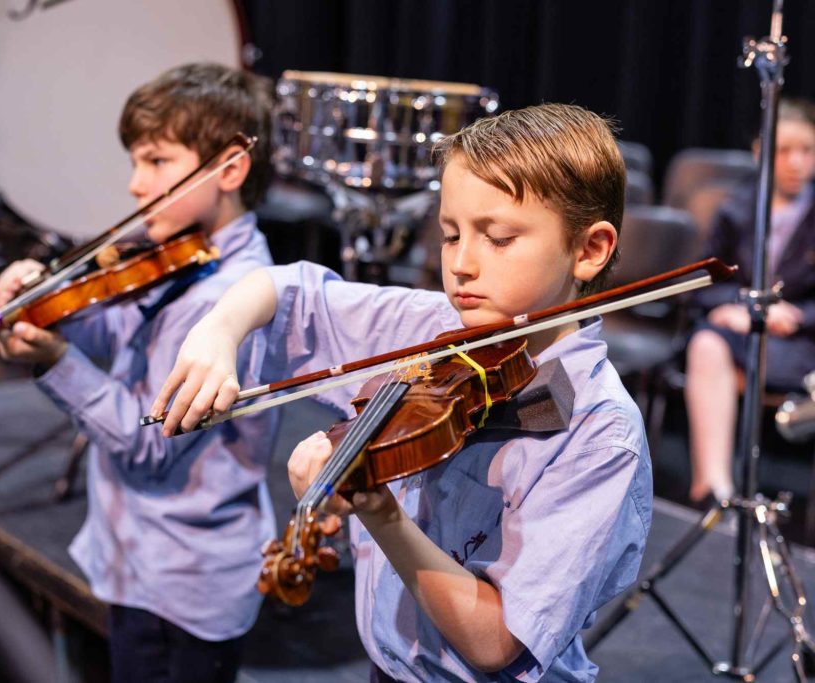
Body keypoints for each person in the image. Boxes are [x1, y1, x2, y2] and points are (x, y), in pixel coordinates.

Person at [152, 104, 652, 681]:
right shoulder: (433, 333)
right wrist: (216, 334)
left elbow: (495, 642)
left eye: (498, 238)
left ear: (589, 250)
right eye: (450, 234)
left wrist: (376, 507)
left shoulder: (598, 432)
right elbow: (288, 290)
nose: (461, 265)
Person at [0, 63, 276, 683]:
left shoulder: (233, 298)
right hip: (136, 557)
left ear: (230, 168)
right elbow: (120, 335)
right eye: (134, 163)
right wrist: (51, 314)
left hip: (185, 582)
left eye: (156, 162)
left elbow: (152, 446)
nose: (134, 185)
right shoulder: (178, 260)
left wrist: (57, 364)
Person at [684, 98, 815, 504]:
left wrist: (797, 316)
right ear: (760, 152)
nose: (796, 162)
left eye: (807, 150)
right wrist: (744, 304)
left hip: (801, 342)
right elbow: (705, 282)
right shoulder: (736, 208)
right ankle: (715, 487)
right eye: (783, 150)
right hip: (746, 334)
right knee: (706, 344)